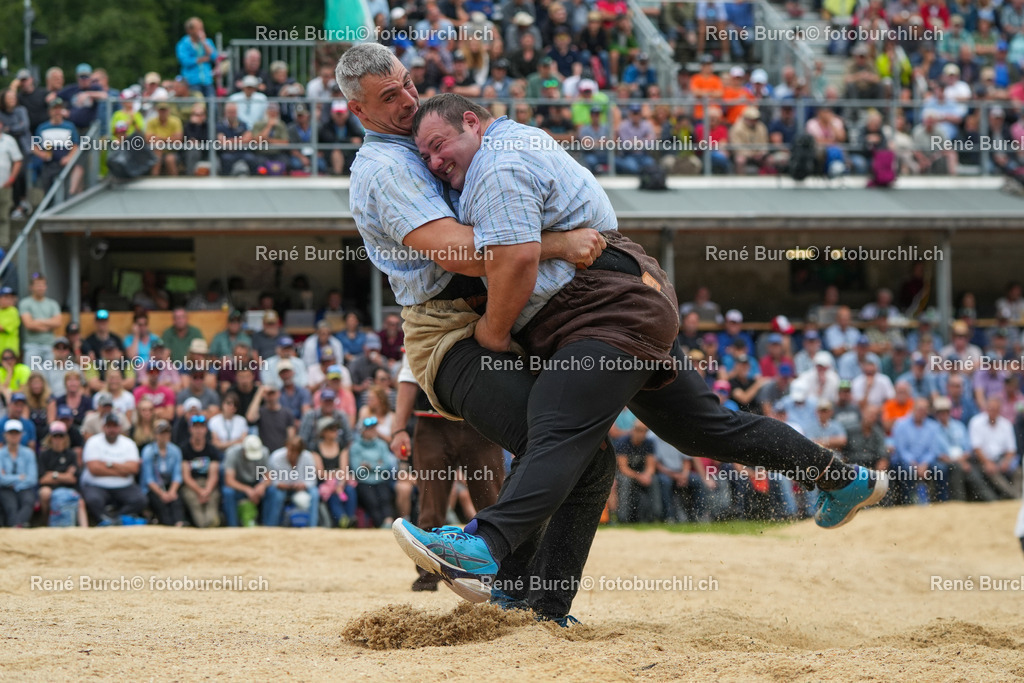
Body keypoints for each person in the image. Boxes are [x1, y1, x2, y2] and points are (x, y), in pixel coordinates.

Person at [339, 46, 885, 622]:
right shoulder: (393, 165)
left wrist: (501, 321)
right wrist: (558, 245)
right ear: (358, 111)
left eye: (406, 86)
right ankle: (837, 478)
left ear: (470, 121)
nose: (409, 103)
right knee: (693, 430)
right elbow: (466, 251)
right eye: (390, 98)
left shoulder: (494, 162)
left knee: (561, 432)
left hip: (584, 308)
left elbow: (505, 256)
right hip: (504, 317)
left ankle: (493, 556)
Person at [80, 413, 146, 525]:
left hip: (124, 485)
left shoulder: (128, 443)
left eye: (115, 426)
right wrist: (122, 470)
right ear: (103, 427)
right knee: (93, 500)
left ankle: (116, 520)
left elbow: (134, 468)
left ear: (119, 428)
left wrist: (108, 464)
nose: (112, 429)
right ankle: (104, 520)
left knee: (140, 500)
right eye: (109, 426)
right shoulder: (93, 442)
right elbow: (94, 469)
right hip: (97, 485)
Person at [349, 417, 397, 527]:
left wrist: (369, 466)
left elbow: (386, 466)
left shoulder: (381, 445)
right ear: (363, 431)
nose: (373, 431)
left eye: (374, 428)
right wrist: (377, 464)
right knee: (372, 502)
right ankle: (381, 525)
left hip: (381, 480)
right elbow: (357, 469)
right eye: (370, 429)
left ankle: (389, 523)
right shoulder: (355, 447)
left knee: (385, 499)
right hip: (364, 482)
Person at [263, 435, 319, 527]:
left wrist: (303, 485)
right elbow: (270, 479)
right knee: (277, 495)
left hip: (301, 489)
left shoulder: (308, 457)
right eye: (289, 450)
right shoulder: (276, 457)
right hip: (281, 489)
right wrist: (281, 485)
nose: (289, 453)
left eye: (294, 452)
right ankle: (271, 526)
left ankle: (312, 527)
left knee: (314, 493)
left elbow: (312, 480)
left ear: (300, 453)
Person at [36, 421, 83, 526]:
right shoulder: (44, 455)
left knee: (80, 501)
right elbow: (42, 479)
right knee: (45, 493)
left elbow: (73, 479)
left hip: (67, 488)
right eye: (55, 436)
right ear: (50, 438)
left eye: (60, 436)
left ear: (65, 437)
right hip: (50, 487)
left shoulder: (71, 454)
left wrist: (52, 474)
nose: (58, 439)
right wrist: (64, 475)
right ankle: (46, 521)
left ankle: (85, 530)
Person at [139, 420, 185, 526]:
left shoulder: (175, 450)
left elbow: (177, 475)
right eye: (161, 433)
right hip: (153, 488)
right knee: (161, 506)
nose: (164, 436)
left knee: (176, 501)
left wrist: (172, 491)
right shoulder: (148, 451)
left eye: (166, 432)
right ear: (155, 434)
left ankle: (179, 525)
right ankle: (167, 526)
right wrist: (162, 494)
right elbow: (149, 479)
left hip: (169, 485)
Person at [179, 414, 221, 527]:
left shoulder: (212, 449)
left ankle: (211, 522)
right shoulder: (184, 449)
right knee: (194, 503)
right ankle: (203, 526)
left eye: (201, 427)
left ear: (205, 429)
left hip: (208, 484)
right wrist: (199, 491)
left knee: (212, 501)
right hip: (192, 486)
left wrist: (206, 491)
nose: (198, 430)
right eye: (195, 427)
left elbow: (214, 475)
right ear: (190, 429)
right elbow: (186, 476)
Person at [221, 434, 270, 527]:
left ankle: (269, 526)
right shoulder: (232, 453)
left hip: (255, 485)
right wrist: (247, 489)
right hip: (238, 487)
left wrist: (262, 486)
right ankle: (233, 526)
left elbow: (268, 477)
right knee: (228, 492)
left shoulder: (264, 452)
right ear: (243, 449)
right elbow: (229, 480)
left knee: (273, 491)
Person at [19, 274, 62, 366]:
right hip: (32, 346)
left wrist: (38, 321)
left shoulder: (52, 304)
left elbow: (58, 322)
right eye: (38, 285)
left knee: (50, 375)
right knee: (32, 376)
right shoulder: (25, 303)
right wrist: (49, 325)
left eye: (43, 285)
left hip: (50, 346)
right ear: (31, 287)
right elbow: (29, 325)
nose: (41, 288)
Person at [0, 420, 37, 527]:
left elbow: (32, 479)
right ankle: (17, 529)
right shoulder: (1, 454)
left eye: (16, 433)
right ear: (5, 435)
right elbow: (1, 479)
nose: (13, 436)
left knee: (28, 501)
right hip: (5, 489)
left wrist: (11, 480)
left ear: (21, 435)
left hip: (23, 488)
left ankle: (16, 528)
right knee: (11, 506)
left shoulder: (29, 453)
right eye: (11, 433)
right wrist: (19, 477)